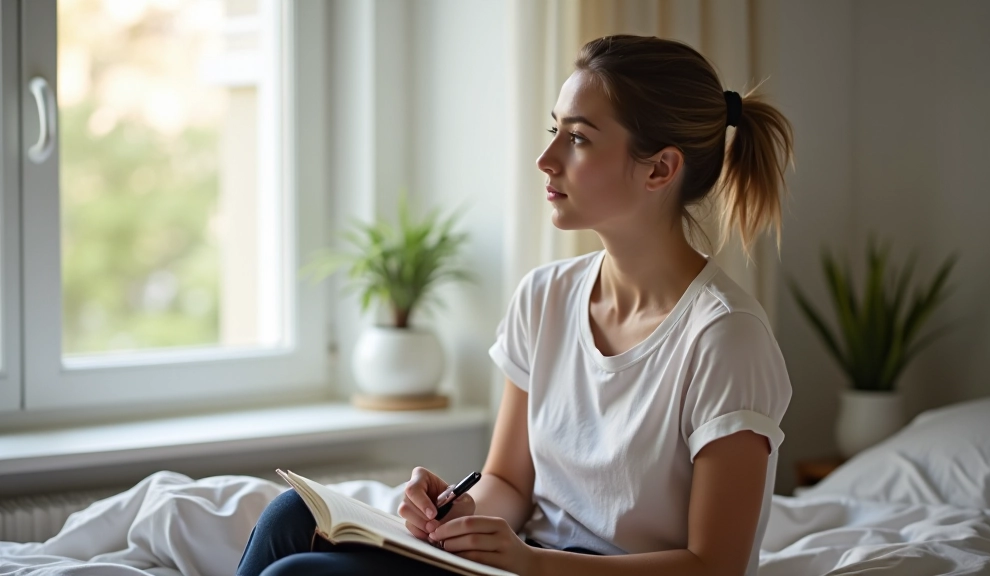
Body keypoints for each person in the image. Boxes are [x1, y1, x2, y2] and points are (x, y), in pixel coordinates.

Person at [236, 33, 794, 576]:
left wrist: (535, 565)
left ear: (659, 169)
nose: (546, 158)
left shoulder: (725, 337)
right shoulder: (544, 297)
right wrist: (459, 516)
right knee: (292, 515)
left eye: (577, 138)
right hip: (527, 565)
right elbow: (508, 484)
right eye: (555, 130)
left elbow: (715, 565)